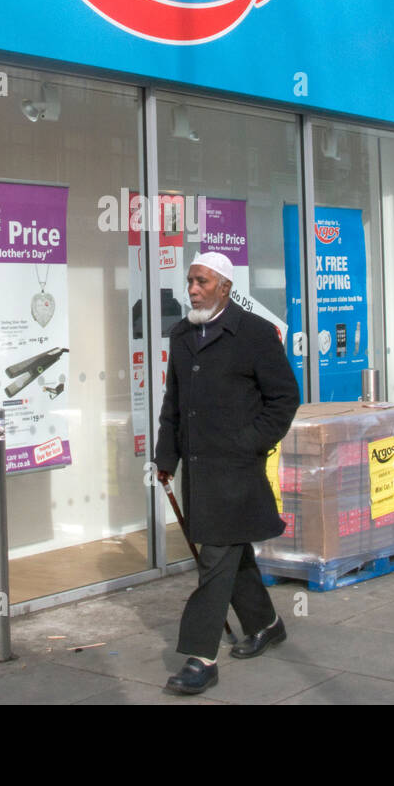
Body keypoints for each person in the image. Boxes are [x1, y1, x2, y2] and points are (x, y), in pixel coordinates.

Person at [154, 251, 299, 694]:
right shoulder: (182, 334)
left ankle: (201, 658)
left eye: (201, 282)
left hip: (237, 472)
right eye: (190, 281)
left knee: (215, 559)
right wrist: (166, 457)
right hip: (199, 472)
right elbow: (174, 403)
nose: (192, 290)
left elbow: (284, 398)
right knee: (233, 555)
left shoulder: (254, 333)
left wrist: (249, 442)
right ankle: (266, 624)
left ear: (225, 287)